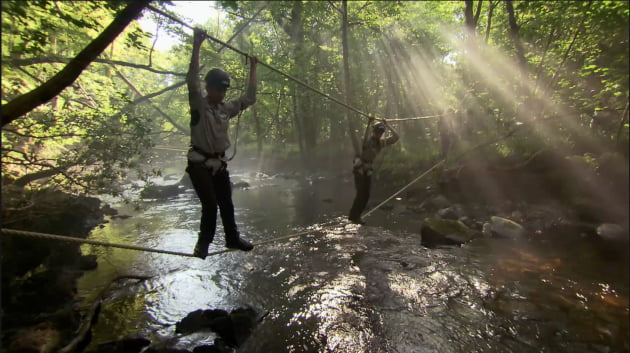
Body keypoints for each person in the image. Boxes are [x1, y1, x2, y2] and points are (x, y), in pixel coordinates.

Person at [186, 28, 258, 259]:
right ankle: (203, 245)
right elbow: (191, 79)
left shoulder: (226, 108)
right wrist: (197, 45)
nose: (222, 93)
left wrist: (253, 68)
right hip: (199, 164)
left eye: (224, 89)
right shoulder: (199, 103)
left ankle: (232, 239)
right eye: (218, 88)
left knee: (226, 203)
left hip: (219, 163)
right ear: (209, 88)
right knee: (210, 205)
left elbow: (250, 98)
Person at [348, 118, 399, 224]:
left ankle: (356, 216)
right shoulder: (368, 141)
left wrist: (387, 125)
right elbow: (364, 142)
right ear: (373, 132)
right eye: (377, 132)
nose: (379, 134)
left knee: (366, 195)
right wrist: (369, 123)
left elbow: (396, 137)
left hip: (368, 170)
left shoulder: (381, 143)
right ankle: (354, 216)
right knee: (360, 194)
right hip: (360, 169)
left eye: (381, 133)